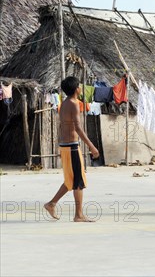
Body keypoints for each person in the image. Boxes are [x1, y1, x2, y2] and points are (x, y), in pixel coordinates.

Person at [44, 76, 100, 222]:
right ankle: (79, 215)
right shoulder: (74, 104)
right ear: (77, 89)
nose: (81, 88)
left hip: (65, 146)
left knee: (71, 180)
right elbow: (78, 128)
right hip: (72, 147)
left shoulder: (64, 103)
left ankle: (51, 204)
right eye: (79, 87)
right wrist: (92, 146)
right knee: (78, 182)